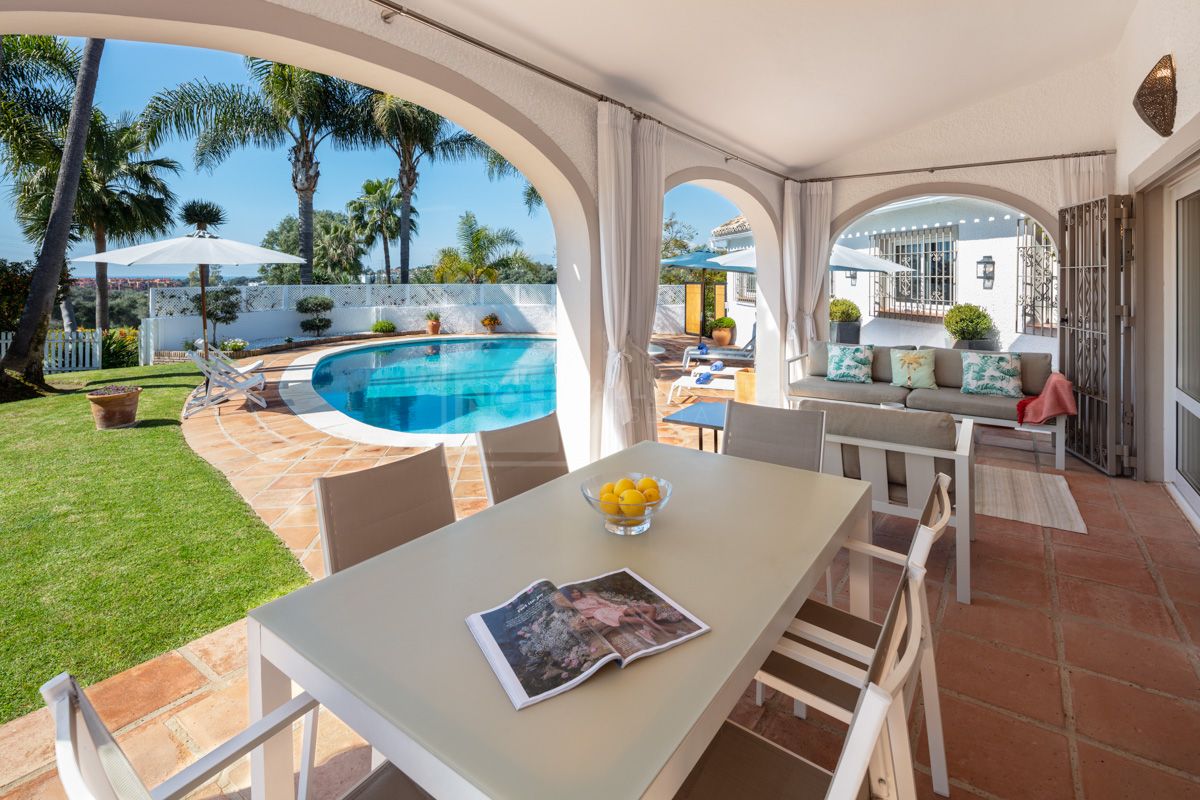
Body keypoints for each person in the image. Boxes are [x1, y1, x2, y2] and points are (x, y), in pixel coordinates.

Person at [564, 587, 666, 644]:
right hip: (601, 613)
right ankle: (645, 631)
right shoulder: (575, 605)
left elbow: (603, 601)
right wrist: (582, 619)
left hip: (611, 607)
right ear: (571, 596)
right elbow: (582, 615)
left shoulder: (590, 596)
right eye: (573, 593)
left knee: (651, 608)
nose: (576, 593)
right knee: (635, 619)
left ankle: (645, 630)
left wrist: (617, 606)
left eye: (577, 591)